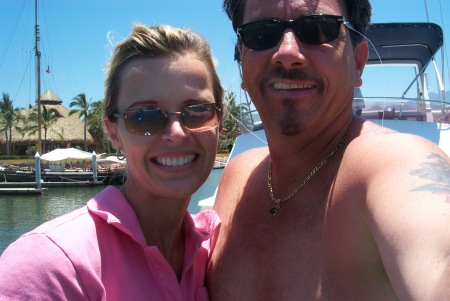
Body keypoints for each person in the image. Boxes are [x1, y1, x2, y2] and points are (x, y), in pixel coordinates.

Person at [207, 0, 450, 300]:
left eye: (318, 29)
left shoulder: (395, 165)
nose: (286, 53)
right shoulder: (236, 175)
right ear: (242, 65)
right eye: (261, 33)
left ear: (358, 61)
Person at [0, 24, 223, 300]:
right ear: (113, 132)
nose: (176, 133)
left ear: (219, 123)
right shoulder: (49, 267)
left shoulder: (214, 253)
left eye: (197, 110)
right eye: (144, 117)